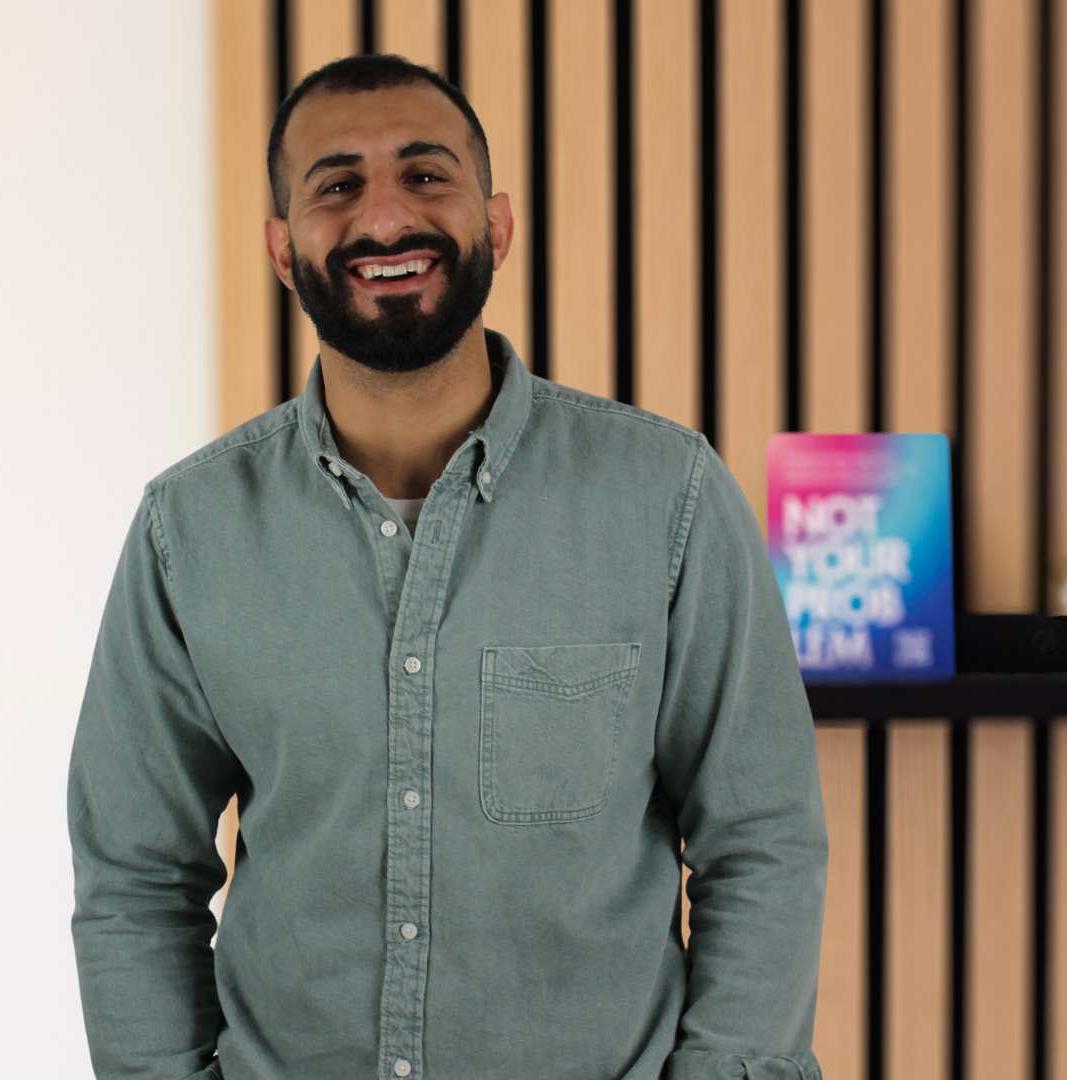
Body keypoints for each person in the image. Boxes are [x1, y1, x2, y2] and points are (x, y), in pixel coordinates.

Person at [69, 54, 828, 1080]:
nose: (386, 218)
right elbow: (133, 875)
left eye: (426, 175)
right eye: (337, 185)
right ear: (284, 249)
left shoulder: (667, 498)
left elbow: (763, 838)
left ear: (497, 226)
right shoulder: (189, 530)